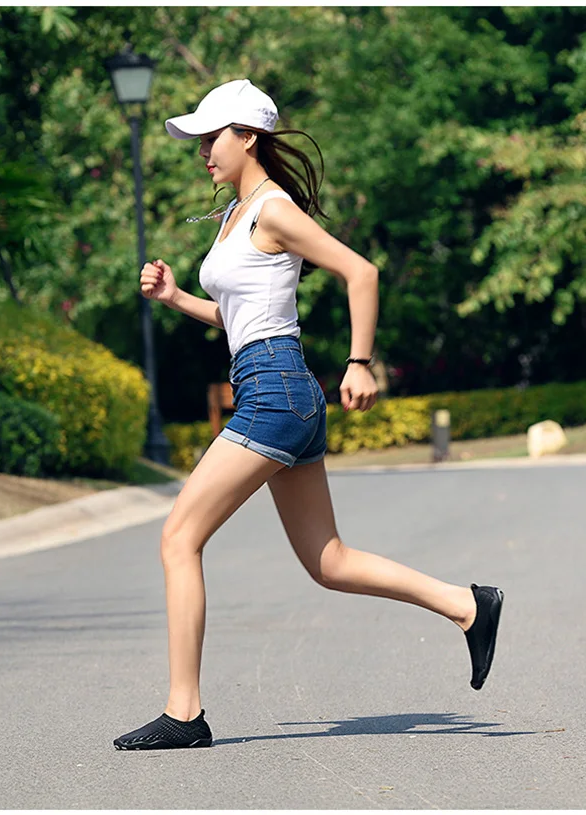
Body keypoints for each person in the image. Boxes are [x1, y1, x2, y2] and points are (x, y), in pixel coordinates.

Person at [113, 79, 504, 751]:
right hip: (276, 384)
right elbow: (241, 319)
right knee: (329, 560)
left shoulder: (273, 210)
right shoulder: (240, 213)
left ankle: (185, 712)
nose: (203, 150)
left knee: (179, 538)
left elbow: (362, 272)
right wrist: (178, 297)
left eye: (213, 137)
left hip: (275, 392)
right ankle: (469, 604)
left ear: (249, 138)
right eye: (200, 139)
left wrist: (359, 361)